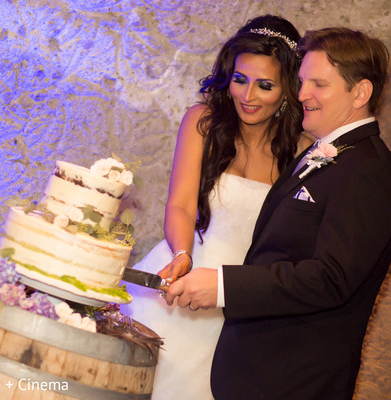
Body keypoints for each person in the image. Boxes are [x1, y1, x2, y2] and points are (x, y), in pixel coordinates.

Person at [165, 27, 391, 400]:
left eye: (318, 84)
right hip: (255, 369)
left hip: (294, 377)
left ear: (361, 93)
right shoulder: (325, 154)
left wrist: (223, 286)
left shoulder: (370, 169)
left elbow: (331, 278)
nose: (302, 95)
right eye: (301, 82)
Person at [121, 15, 310, 399]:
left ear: (289, 89)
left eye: (265, 85)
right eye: (240, 80)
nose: (248, 95)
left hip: (237, 310)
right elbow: (180, 204)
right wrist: (181, 253)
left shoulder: (305, 151)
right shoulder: (203, 121)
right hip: (179, 282)